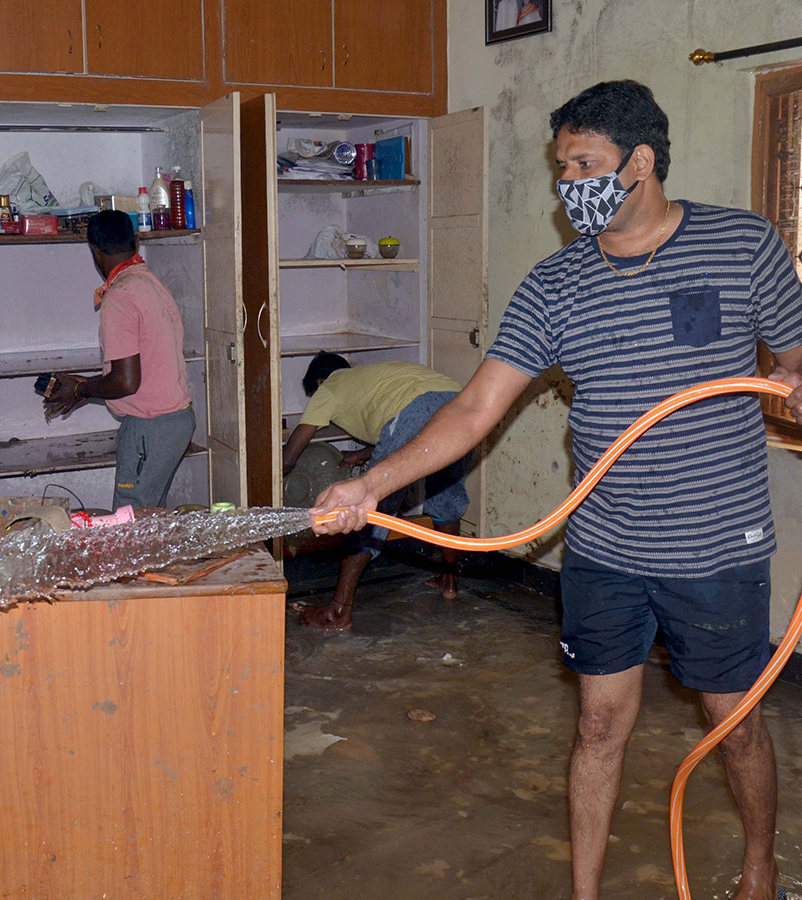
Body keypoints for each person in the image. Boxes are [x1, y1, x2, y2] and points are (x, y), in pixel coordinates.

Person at [311, 80, 802, 900]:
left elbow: (795, 363)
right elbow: (474, 407)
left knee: (735, 725)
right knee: (599, 724)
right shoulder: (556, 283)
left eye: (586, 165)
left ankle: (759, 872)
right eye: (562, 167)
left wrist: (792, 385)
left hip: (715, 546)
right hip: (605, 546)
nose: (568, 185)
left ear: (640, 162)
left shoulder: (742, 246)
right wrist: (371, 482)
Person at [283, 353, 471, 630]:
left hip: (415, 409)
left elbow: (291, 456)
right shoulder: (377, 376)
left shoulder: (330, 387)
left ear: (320, 381)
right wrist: (362, 454)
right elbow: (408, 438)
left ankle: (336, 613)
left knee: (368, 513)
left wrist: (271, 475)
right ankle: (449, 583)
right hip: (460, 404)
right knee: (447, 497)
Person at [43, 210, 194, 511]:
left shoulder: (120, 296)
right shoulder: (147, 281)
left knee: (129, 519)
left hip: (149, 428)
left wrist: (80, 390)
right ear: (135, 241)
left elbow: (125, 381)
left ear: (95, 251)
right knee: (149, 518)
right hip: (176, 421)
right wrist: (82, 388)